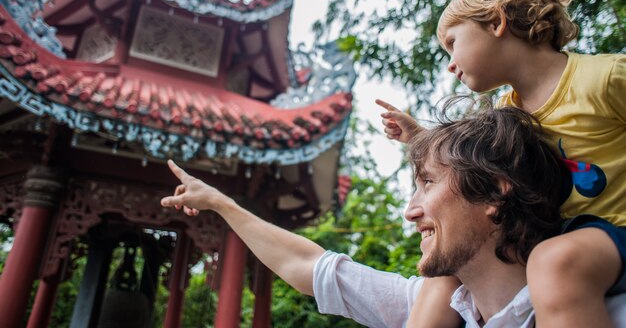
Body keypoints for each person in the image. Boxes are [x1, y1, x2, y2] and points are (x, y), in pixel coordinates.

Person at [161, 103, 626, 327]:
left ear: (494, 192)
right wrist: (222, 203)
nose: (410, 211)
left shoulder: (600, 307)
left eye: (427, 182)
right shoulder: (434, 305)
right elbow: (310, 267)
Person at [378, 0, 626, 328]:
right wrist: (418, 138)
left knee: (554, 262)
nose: (449, 65)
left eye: (452, 43)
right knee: (446, 268)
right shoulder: (506, 113)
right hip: (551, 236)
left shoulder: (603, 79)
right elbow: (471, 171)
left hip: (612, 233)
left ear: (496, 22)